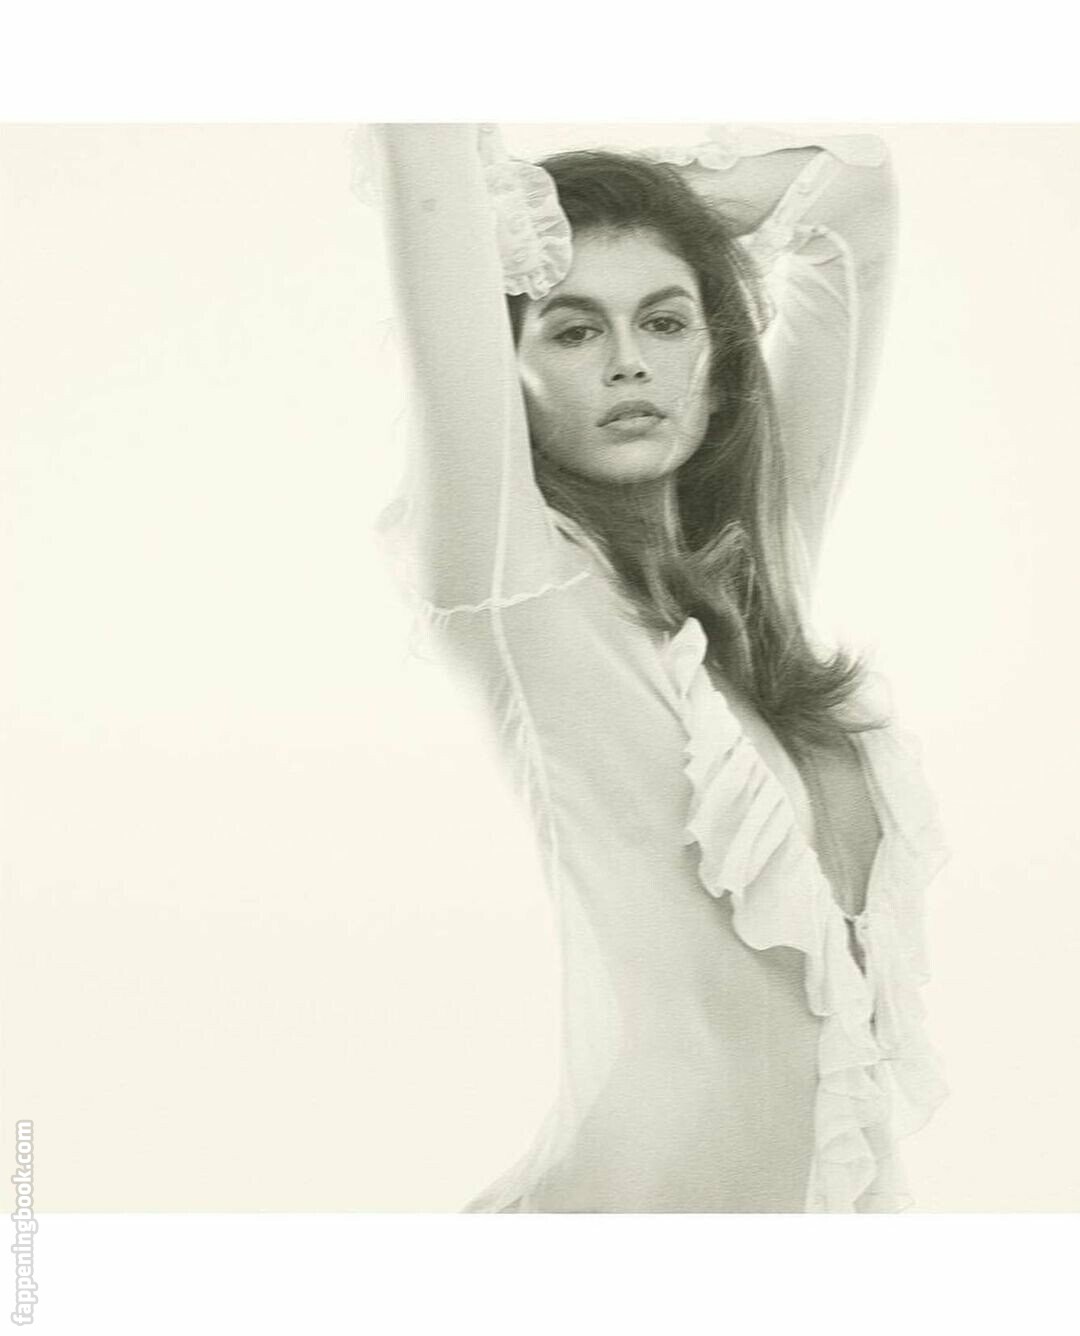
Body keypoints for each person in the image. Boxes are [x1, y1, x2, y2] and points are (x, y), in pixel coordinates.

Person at [368, 122, 949, 1213]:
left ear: (719, 365)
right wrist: (520, 217)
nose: (628, 360)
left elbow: (854, 207)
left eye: (666, 321)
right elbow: (424, 148)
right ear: (506, 377)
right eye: (574, 328)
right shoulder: (518, 591)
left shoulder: (759, 587)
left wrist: (641, 204)